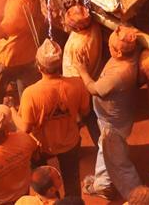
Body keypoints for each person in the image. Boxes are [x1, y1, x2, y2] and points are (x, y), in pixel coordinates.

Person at [75, 26, 142, 200]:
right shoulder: (131, 52)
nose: (108, 48)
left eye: (111, 47)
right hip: (117, 119)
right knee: (105, 149)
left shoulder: (119, 74)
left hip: (112, 125)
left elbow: (94, 89)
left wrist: (82, 70)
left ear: (119, 53)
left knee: (118, 162)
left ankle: (137, 197)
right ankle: (102, 181)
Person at [17, 39, 90, 199]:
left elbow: (25, 129)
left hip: (41, 147)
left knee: (43, 184)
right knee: (72, 181)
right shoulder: (77, 84)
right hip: (70, 142)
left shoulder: (31, 93)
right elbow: (85, 111)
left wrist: (11, 112)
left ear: (38, 66)